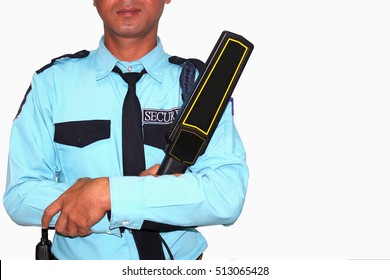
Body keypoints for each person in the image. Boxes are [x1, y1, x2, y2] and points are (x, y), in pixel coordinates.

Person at [3, 0, 249, 260]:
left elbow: (225, 195)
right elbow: (21, 195)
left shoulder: (201, 88)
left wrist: (108, 195)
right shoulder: (51, 84)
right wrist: (144, 201)